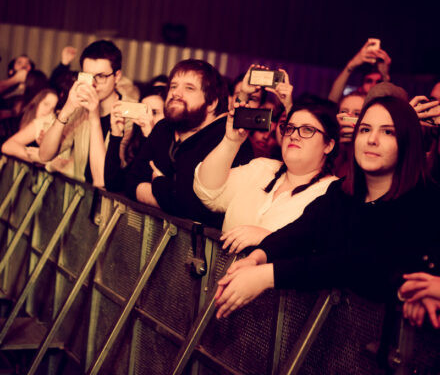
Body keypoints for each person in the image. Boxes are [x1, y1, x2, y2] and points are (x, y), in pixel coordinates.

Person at [214, 96, 440, 319]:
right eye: (365, 129)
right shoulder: (342, 192)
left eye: (388, 132)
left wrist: (266, 275)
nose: (372, 139)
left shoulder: (423, 201)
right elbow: (301, 231)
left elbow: (356, 262)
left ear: (408, 141)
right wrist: (257, 257)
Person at [124, 59, 254, 228]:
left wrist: (158, 183)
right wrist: (169, 195)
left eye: (189, 88)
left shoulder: (230, 137)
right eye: (173, 86)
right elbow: (130, 182)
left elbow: (198, 209)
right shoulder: (163, 128)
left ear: (212, 103)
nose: (176, 93)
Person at [194, 100, 339, 246]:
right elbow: (207, 191)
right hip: (223, 267)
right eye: (289, 128)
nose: (294, 135)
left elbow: (323, 255)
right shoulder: (262, 168)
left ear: (328, 145)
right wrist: (231, 141)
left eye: (307, 130)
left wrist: (271, 239)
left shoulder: (332, 192)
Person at [39, 40, 136, 187]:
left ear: (117, 76)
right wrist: (66, 110)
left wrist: (94, 117)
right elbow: (44, 155)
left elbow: (103, 179)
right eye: (88, 76)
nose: (93, 84)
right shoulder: (80, 106)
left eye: (101, 76)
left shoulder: (128, 112)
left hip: (110, 202)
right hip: (81, 196)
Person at [104, 84, 167, 192]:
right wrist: (116, 135)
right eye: (144, 112)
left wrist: (150, 137)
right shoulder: (137, 143)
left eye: (155, 112)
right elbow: (113, 184)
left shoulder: (169, 149)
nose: (148, 117)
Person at [2, 89, 59, 163]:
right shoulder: (13, 121)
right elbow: (6, 147)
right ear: (37, 102)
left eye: (52, 109)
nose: (48, 110)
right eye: (46, 104)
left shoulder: (44, 129)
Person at [328, 40, 391, 104]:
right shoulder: (353, 100)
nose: (373, 85)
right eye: (369, 81)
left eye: (378, 82)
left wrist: (385, 75)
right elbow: (332, 101)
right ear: (361, 85)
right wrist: (350, 66)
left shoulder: (383, 106)